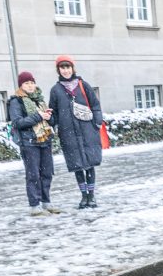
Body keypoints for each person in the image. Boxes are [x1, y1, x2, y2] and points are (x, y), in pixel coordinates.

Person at [48, 55, 103, 209]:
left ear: (73, 68)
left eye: (68, 67)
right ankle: (83, 196)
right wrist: (49, 119)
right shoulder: (56, 90)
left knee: (90, 164)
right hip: (68, 133)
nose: (65, 70)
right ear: (58, 70)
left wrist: (97, 123)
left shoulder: (83, 85)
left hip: (87, 131)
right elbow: (54, 113)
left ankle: (91, 196)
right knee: (77, 166)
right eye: (62, 67)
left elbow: (95, 105)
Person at [8, 72, 58, 217]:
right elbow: (18, 123)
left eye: (31, 83)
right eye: (26, 83)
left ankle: (46, 202)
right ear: (21, 86)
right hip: (29, 143)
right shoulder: (16, 101)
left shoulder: (39, 100)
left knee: (47, 172)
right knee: (33, 175)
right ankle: (34, 205)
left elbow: (51, 122)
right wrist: (39, 116)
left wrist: (49, 117)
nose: (30, 86)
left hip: (45, 140)